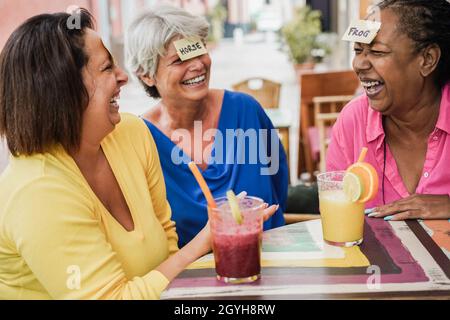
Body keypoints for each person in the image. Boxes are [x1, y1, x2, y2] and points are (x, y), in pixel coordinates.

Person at [0, 10, 279, 300]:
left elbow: (168, 244)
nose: (123, 77)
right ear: (63, 91)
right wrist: (207, 239)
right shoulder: (36, 192)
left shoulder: (131, 132)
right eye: (107, 68)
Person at [125, 5, 288, 247]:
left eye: (198, 50)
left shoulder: (246, 111)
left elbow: (279, 183)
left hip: (270, 261)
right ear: (146, 75)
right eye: (180, 59)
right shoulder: (140, 138)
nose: (197, 65)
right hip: (189, 277)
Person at [327, 0, 450, 221]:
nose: (359, 64)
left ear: (427, 59)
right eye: (358, 50)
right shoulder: (353, 121)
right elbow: (337, 218)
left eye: (377, 51)